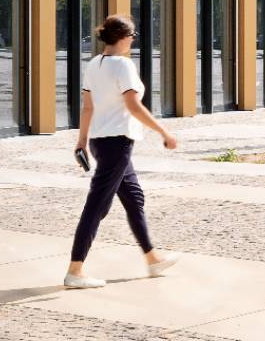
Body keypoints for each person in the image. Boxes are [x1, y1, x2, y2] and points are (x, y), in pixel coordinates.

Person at [64, 15, 180, 289]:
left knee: (134, 197)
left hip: (100, 142)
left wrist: (81, 141)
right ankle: (75, 271)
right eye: (133, 35)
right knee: (96, 206)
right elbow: (133, 105)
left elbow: (88, 107)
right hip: (117, 144)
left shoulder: (94, 64)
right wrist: (164, 132)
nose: (133, 40)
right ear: (124, 37)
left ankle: (153, 259)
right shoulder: (123, 65)